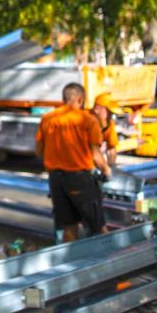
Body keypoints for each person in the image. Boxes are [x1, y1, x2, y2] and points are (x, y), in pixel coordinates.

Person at [36, 82, 112, 243]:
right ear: (79, 99)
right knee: (98, 225)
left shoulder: (47, 119)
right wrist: (106, 170)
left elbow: (39, 150)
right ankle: (114, 262)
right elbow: (96, 154)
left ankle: (71, 264)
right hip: (80, 179)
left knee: (69, 227)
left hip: (56, 180)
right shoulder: (87, 120)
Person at [93, 92, 123, 166]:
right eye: (109, 112)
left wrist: (111, 169)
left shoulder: (109, 124)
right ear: (97, 109)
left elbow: (112, 149)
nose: (111, 116)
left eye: (112, 114)